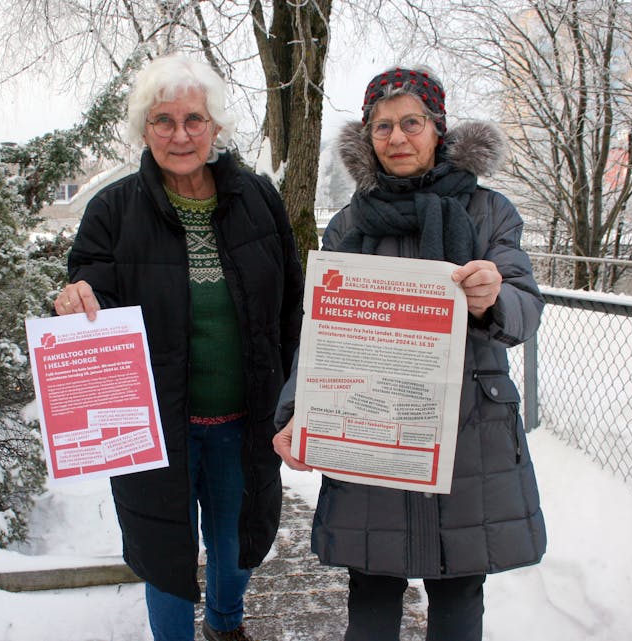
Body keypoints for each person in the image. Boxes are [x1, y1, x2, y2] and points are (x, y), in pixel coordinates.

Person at [273, 66, 547, 641]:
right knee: (371, 590)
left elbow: (525, 304)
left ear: (437, 129)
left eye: (411, 123)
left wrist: (492, 297)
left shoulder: (487, 212)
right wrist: (298, 409)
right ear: (368, 138)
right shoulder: (349, 222)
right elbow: (320, 326)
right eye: (382, 126)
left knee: (459, 593)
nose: (397, 138)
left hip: (467, 431)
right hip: (372, 426)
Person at [55, 54, 304, 641]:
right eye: (162, 120)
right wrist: (74, 299)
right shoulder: (112, 211)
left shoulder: (258, 198)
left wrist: (300, 396)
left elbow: (291, 302)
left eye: (194, 118)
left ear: (216, 126)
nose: (180, 134)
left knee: (234, 537)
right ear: (144, 129)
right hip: (152, 429)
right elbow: (88, 291)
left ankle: (226, 623)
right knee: (164, 547)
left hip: (244, 418)